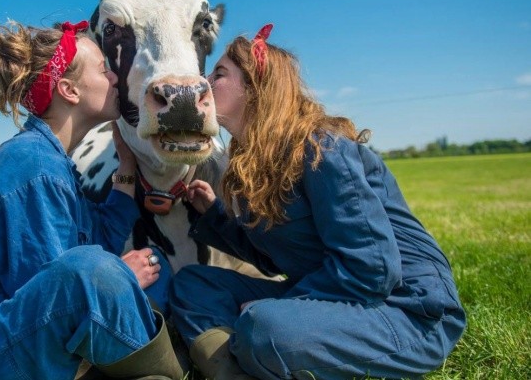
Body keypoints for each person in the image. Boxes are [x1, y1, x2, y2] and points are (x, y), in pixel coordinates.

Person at [170, 24, 466, 380]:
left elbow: (372, 269)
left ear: (254, 88)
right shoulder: (256, 163)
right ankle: (231, 368)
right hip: (335, 297)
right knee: (193, 284)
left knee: (266, 328)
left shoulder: (321, 150)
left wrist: (282, 305)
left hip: (406, 311)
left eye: (218, 74)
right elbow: (269, 258)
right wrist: (214, 214)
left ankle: (251, 348)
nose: (204, 82)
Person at [0, 20, 182, 380]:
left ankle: (147, 365)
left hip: (13, 338)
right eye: (104, 70)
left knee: (151, 260)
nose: (115, 78)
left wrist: (126, 169)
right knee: (93, 271)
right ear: (69, 90)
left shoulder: (53, 162)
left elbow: (97, 234)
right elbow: (50, 285)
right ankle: (159, 367)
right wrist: (121, 276)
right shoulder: (33, 166)